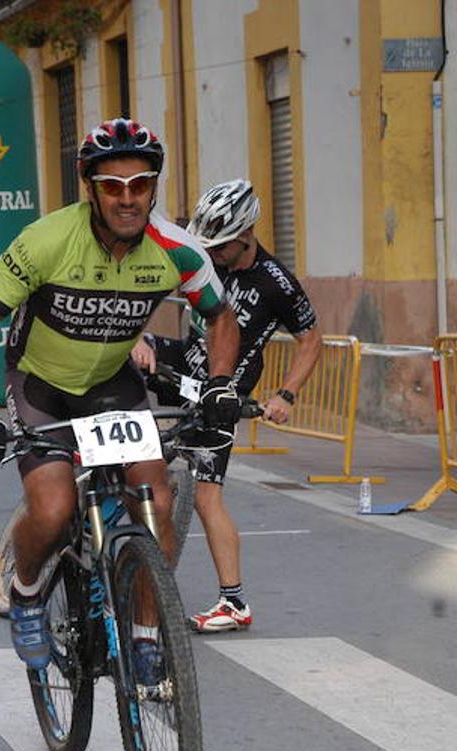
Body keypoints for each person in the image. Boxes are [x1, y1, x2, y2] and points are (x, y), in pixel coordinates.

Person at [0, 117, 241, 680]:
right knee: (55, 505)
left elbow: (221, 316)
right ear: (91, 186)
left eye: (140, 184)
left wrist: (220, 385)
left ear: (154, 187)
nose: (128, 197)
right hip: (40, 383)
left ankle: (141, 632)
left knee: (154, 501)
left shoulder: (177, 249)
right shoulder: (48, 240)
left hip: (112, 382)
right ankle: (28, 589)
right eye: (113, 185)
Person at [131, 178, 322, 633]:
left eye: (219, 248)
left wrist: (286, 395)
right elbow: (148, 287)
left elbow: (312, 338)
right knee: (116, 359)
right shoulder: (200, 258)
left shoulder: (276, 282)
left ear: (244, 237)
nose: (211, 255)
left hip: (222, 393)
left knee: (204, 495)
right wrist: (135, 335)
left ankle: (233, 602)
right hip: (184, 361)